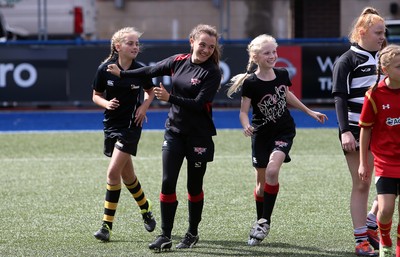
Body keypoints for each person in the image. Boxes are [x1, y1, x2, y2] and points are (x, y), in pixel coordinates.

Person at [107, 24, 222, 251]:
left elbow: (199, 105)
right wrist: (124, 74)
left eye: (211, 46)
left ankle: (192, 233)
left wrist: (169, 98)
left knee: (193, 186)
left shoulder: (212, 72)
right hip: (174, 132)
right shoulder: (179, 60)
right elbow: (150, 71)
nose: (206, 50)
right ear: (192, 41)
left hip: (199, 136)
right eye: (202, 44)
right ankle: (165, 235)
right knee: (168, 182)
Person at [226, 34, 328, 246]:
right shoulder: (251, 83)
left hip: (284, 131)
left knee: (273, 171)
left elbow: (287, 95)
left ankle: (265, 222)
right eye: (267, 53)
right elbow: (243, 112)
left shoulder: (282, 74)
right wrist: (246, 125)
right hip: (261, 135)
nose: (272, 56)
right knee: (261, 185)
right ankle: (259, 221)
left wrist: (310, 112)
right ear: (255, 56)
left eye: (274, 51)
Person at [91, 27, 156, 242]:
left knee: (112, 174)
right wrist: (106, 103)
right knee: (128, 176)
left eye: (137, 43)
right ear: (118, 46)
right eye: (130, 43)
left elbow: (150, 91)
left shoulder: (141, 70)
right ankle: (146, 209)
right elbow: (96, 95)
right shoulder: (104, 69)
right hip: (110, 125)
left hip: (131, 126)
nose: (135, 47)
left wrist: (144, 107)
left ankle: (106, 227)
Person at [332, 6, 386, 256]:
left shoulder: (385, 57)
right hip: (356, 130)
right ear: (362, 32)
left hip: (386, 130)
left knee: (389, 182)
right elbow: (340, 99)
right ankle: (361, 241)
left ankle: (372, 220)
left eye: (384, 32)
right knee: (362, 184)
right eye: (378, 32)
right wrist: (345, 132)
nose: (382, 37)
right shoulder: (347, 60)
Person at [358, 44, 400, 257]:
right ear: (385, 70)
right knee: (385, 210)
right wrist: (363, 162)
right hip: (384, 161)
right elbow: (365, 129)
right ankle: (384, 238)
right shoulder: (374, 94)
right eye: (399, 66)